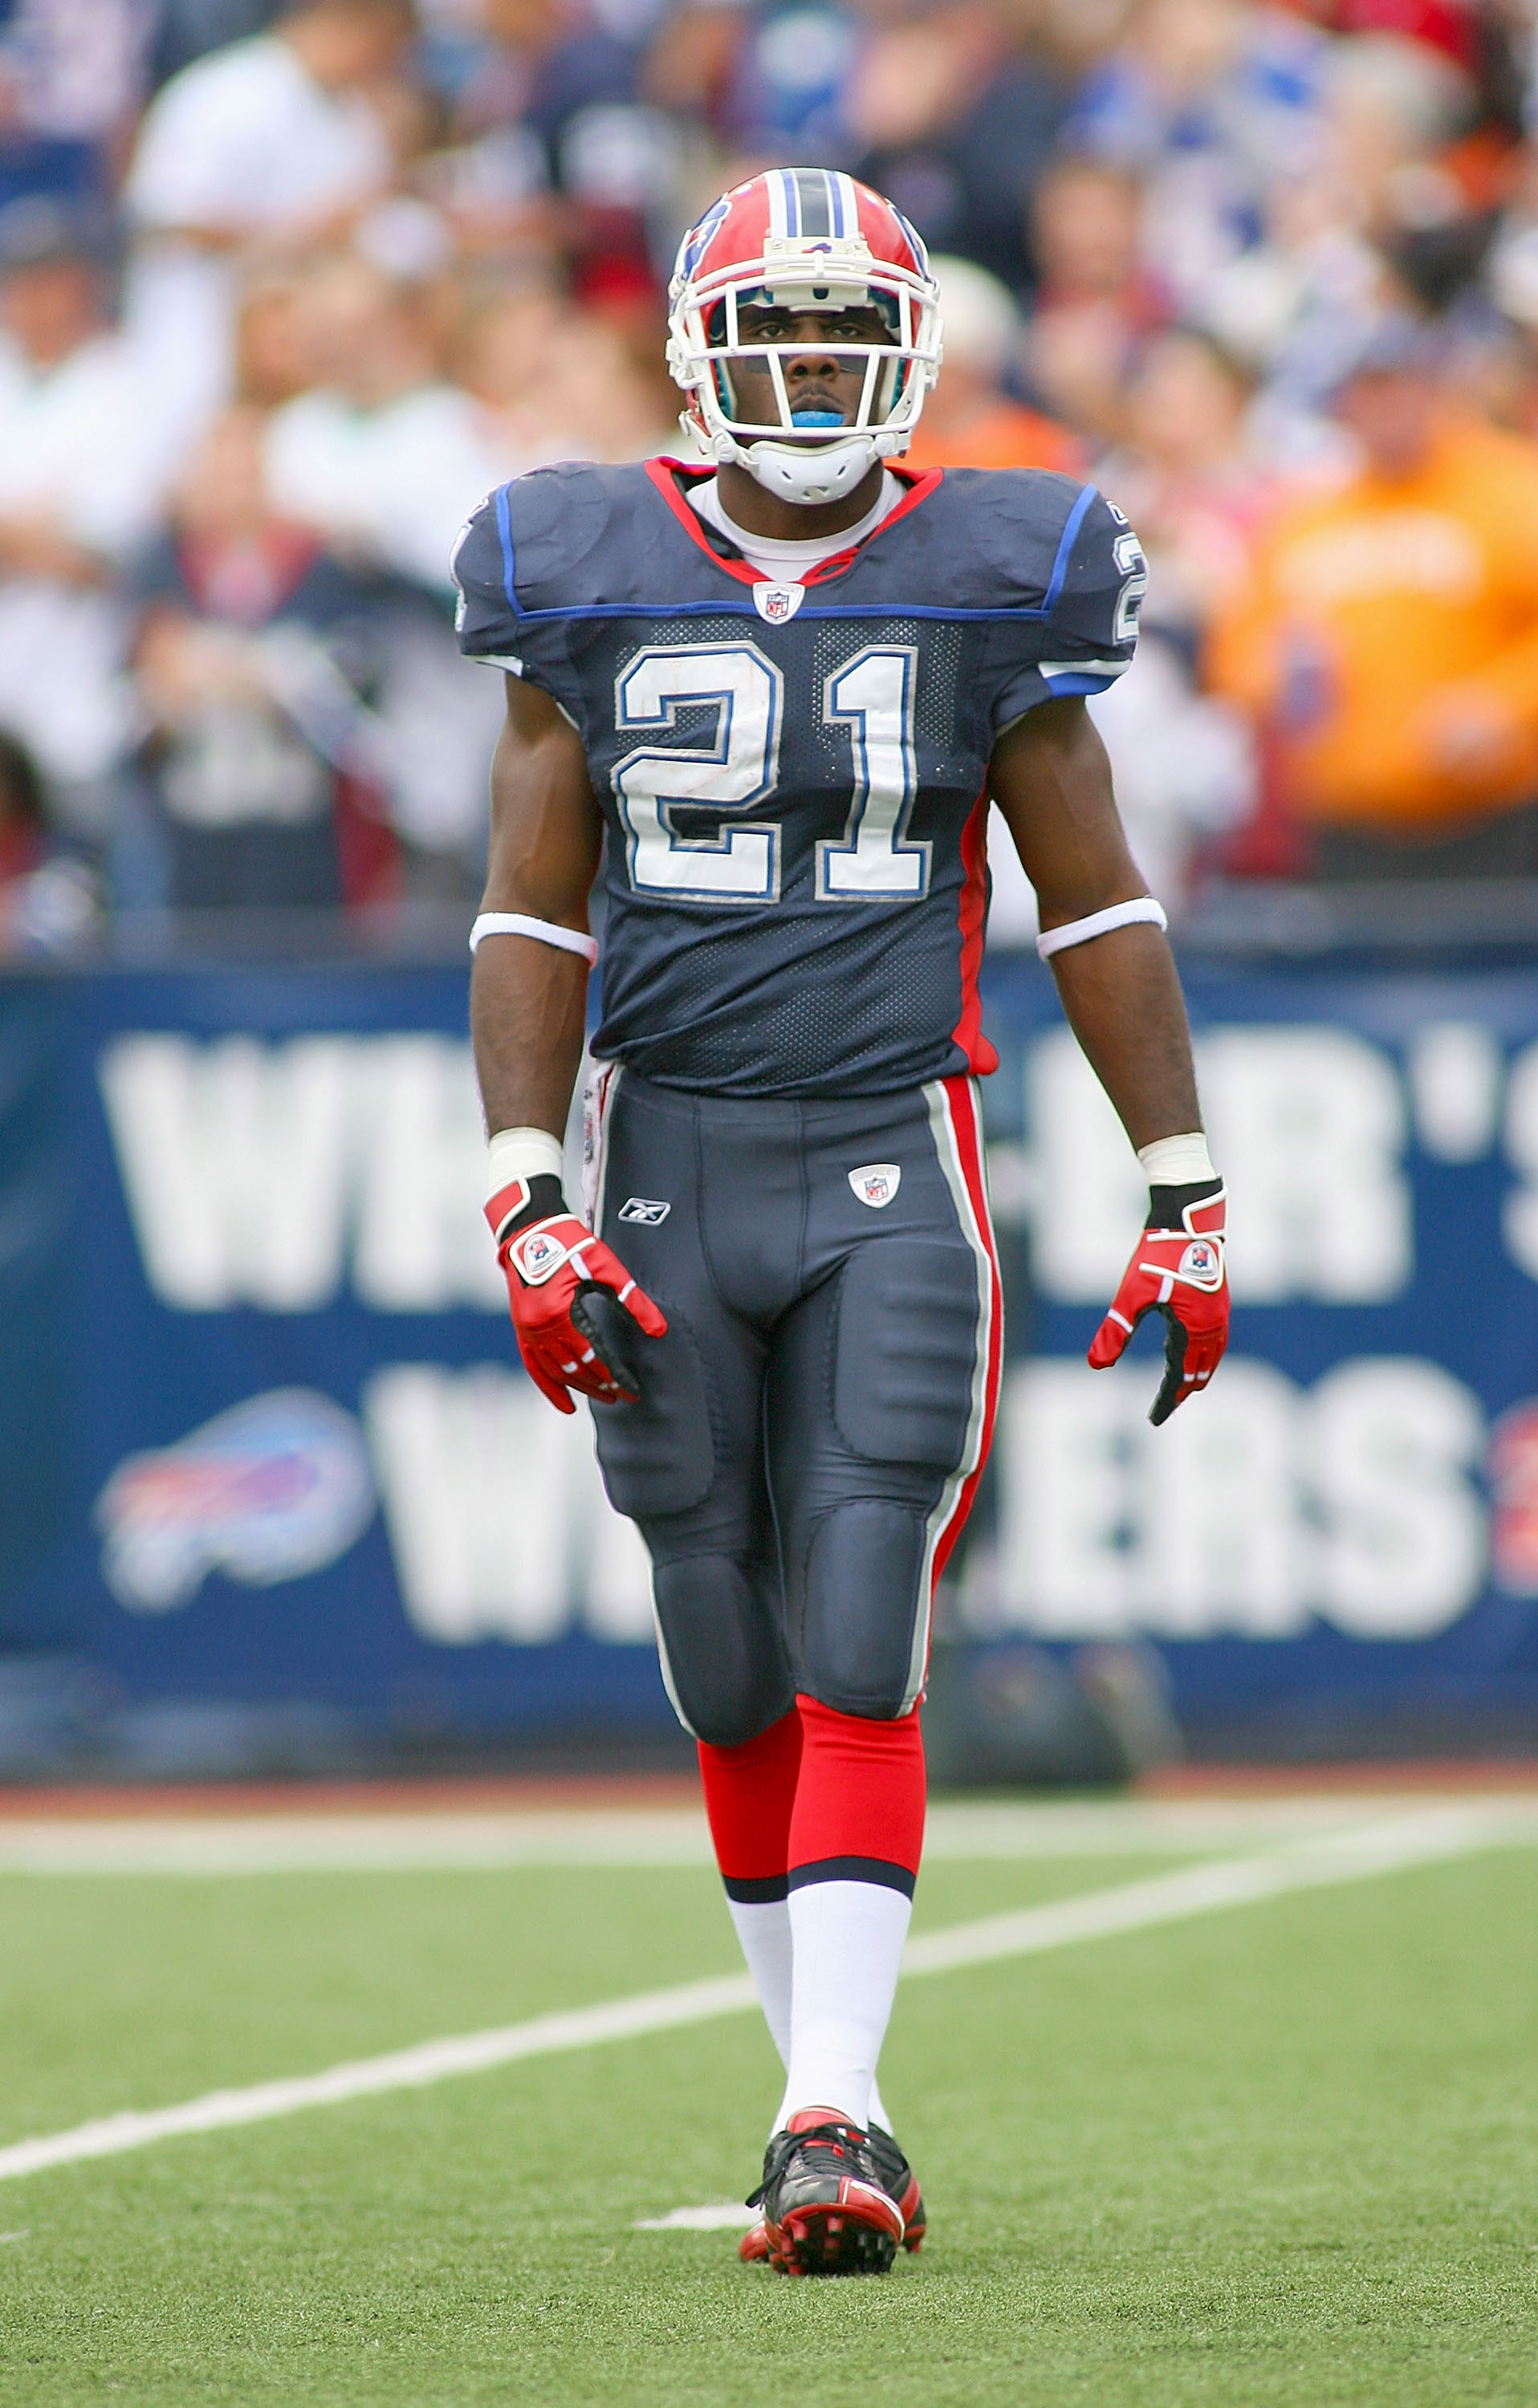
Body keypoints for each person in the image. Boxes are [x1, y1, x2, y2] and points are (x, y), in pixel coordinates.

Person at [452, 166, 1231, 2278]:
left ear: (901, 358)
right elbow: (532, 899)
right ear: (702, 355)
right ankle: (814, 2098)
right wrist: (525, 1188)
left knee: (864, 1616)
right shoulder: (577, 554)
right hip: (667, 1154)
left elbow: (1095, 894)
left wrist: (1183, 1179)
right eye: (770, 335)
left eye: (838, 336)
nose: (805, 373)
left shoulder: (1005, 557)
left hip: (892, 1139)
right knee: (720, 1655)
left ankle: (833, 2109)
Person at [1207, 316, 1538, 875]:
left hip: (1494, 819)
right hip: (1346, 828)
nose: (1388, 406)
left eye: (1402, 386)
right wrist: (1275, 679)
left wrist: (1507, 702)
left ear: (1436, 391)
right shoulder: (1306, 518)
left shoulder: (1509, 489)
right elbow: (1236, 657)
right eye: (1370, 390)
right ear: (1345, 405)